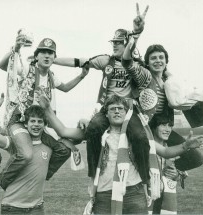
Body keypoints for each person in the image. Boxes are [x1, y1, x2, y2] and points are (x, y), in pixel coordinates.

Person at [38, 93, 203, 214]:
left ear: (126, 113)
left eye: (120, 109)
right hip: (104, 193)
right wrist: (47, 109)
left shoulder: (139, 136)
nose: (117, 111)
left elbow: (166, 152)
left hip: (135, 192)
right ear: (107, 113)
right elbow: (64, 130)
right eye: (112, 109)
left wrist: (186, 145)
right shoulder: (96, 133)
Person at [53, 4, 152, 178]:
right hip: (107, 108)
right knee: (93, 129)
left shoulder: (136, 64)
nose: (114, 46)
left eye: (118, 43)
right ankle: (95, 173)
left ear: (127, 44)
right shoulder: (106, 60)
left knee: (140, 137)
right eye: (113, 43)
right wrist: (53, 60)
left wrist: (136, 33)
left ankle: (145, 177)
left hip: (129, 109)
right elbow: (79, 61)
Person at [0, 34, 85, 189]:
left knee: (64, 150)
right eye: (43, 52)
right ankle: (3, 181)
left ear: (54, 57)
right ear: (36, 56)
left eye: (50, 53)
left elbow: (66, 88)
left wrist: (82, 75)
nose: (47, 55)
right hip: (20, 120)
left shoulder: (51, 76)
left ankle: (40, 175)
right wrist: (15, 49)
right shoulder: (27, 68)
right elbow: (4, 66)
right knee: (25, 154)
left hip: (38, 124)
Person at [0, 87, 71, 215]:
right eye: (32, 121)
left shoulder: (50, 146)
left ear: (44, 124)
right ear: (26, 124)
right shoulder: (16, 143)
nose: (36, 124)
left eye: (40, 122)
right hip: (12, 207)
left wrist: (82, 122)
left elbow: (72, 139)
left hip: (37, 208)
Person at [122, 42, 203, 171]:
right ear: (147, 63)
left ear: (166, 61)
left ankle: (167, 170)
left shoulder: (169, 83)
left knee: (196, 159)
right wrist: (135, 36)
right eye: (153, 58)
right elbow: (127, 63)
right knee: (144, 169)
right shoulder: (145, 78)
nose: (158, 60)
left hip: (164, 129)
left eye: (161, 57)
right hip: (145, 129)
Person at [147, 114, 190, 214]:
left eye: (170, 126)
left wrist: (177, 174)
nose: (168, 129)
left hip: (166, 198)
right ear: (153, 127)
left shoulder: (173, 150)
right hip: (147, 196)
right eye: (163, 125)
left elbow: (183, 174)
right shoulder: (145, 146)